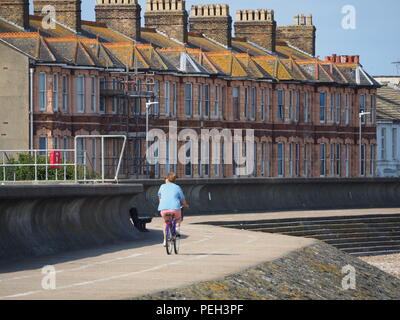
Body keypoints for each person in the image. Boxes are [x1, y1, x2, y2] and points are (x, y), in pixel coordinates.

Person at [158, 172, 189, 246]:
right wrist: (185, 205)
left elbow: (160, 197)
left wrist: (162, 204)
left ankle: (165, 240)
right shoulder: (177, 187)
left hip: (163, 209)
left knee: (166, 222)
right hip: (175, 209)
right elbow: (182, 199)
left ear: (167, 179)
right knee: (178, 218)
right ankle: (177, 229)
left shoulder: (162, 186)